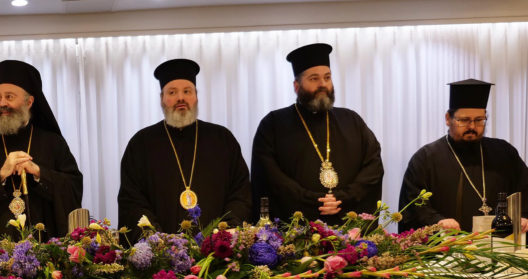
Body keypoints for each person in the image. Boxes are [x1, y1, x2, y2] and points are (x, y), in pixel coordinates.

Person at [251, 43, 383, 226]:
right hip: (296, 230)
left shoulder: (351, 120)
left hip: (349, 229)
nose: (323, 84)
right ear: (296, 86)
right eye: (314, 78)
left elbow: (373, 166)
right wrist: (312, 200)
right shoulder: (273, 124)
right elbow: (270, 177)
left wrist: (344, 197)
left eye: (327, 77)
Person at [118, 58, 251, 233]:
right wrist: (158, 240)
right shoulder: (140, 144)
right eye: (172, 92)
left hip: (216, 247)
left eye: (187, 91)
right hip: (160, 249)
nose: (181, 98)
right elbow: (132, 201)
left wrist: (224, 233)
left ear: (196, 97)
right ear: (162, 99)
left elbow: (240, 193)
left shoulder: (223, 139)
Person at [0, 60, 82, 237]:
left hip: (46, 245)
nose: (2, 103)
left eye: (9, 97)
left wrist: (39, 173)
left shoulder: (52, 142)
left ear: (29, 102)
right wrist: (0, 175)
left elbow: (73, 187)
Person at [398, 79, 528, 233]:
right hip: (449, 244)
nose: (472, 126)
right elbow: (413, 204)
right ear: (448, 118)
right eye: (464, 120)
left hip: (500, 243)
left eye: (479, 120)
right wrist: (437, 221)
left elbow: (524, 189)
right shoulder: (426, 158)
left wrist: (524, 216)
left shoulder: (504, 152)